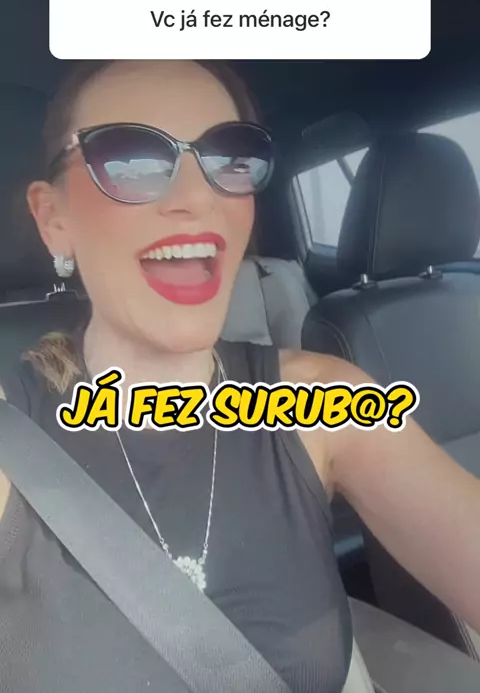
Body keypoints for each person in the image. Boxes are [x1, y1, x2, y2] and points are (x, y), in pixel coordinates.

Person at [0, 59, 479, 693]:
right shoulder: (14, 439)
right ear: (53, 218)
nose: (199, 197)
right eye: (130, 160)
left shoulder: (324, 398)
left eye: (229, 159)